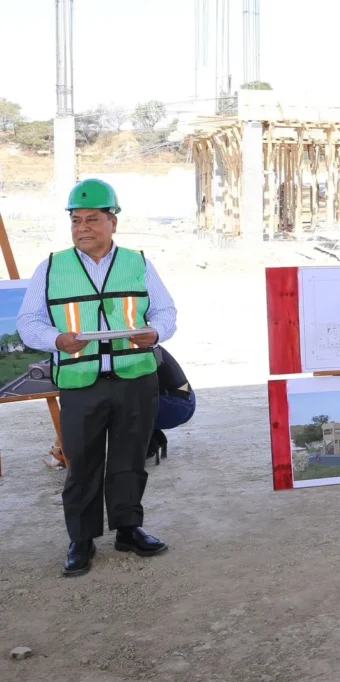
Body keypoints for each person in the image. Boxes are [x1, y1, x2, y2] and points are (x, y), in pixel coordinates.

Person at [17, 178, 177, 576]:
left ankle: (128, 528)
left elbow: (165, 311)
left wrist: (155, 333)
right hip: (80, 380)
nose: (83, 227)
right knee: (83, 463)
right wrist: (56, 339)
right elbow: (28, 321)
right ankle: (81, 540)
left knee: (129, 460)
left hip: (135, 377)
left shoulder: (138, 262)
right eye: (76, 221)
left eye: (92, 219)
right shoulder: (51, 267)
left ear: (113, 223)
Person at [147, 345, 197, 462]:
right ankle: (150, 436)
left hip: (173, 405)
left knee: (112, 405)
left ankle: (144, 444)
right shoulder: (142, 339)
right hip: (187, 397)